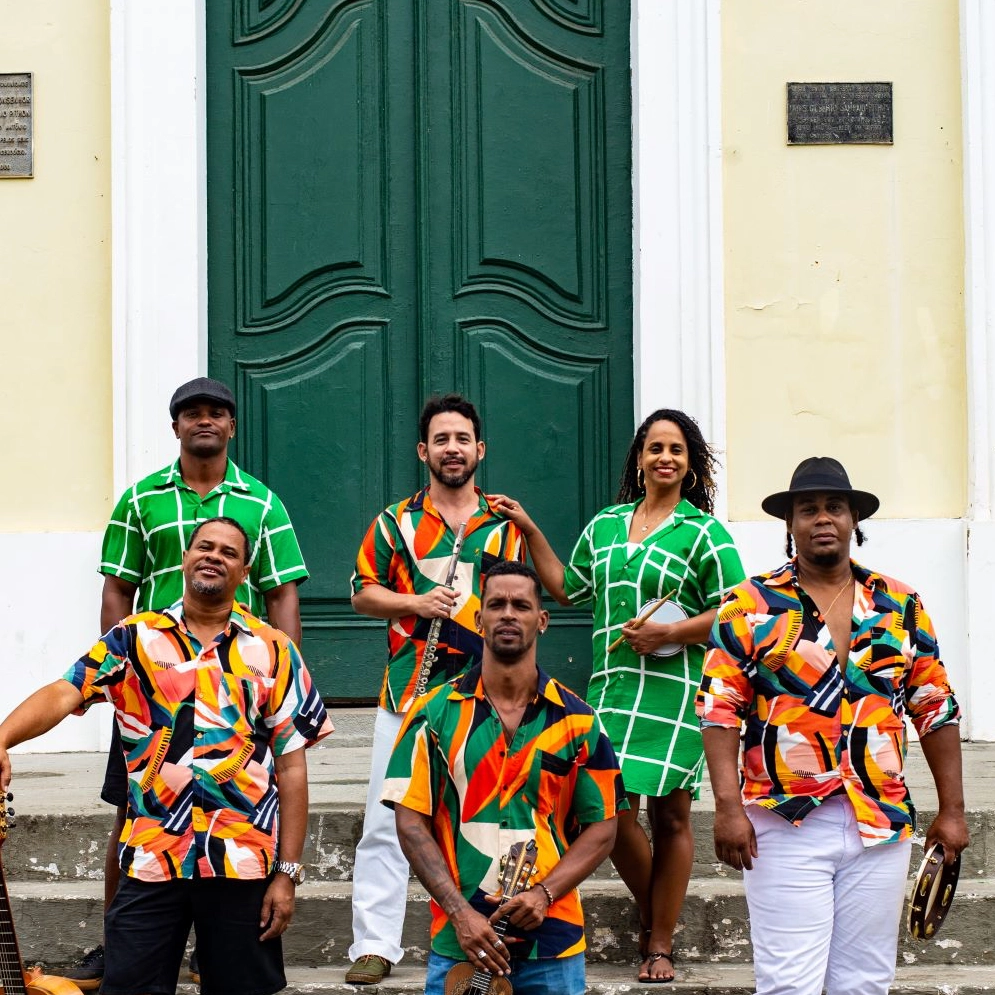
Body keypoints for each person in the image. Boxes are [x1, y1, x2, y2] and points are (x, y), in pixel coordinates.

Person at [0, 517, 333, 995]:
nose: (214, 556)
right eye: (204, 546)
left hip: (242, 861)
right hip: (153, 856)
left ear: (244, 574)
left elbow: (291, 766)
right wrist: (3, 738)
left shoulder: (273, 649)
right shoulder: (133, 639)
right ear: (184, 558)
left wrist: (288, 874)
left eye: (229, 552)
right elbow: (65, 691)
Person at [66, 376, 309, 990]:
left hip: (236, 695)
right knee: (133, 821)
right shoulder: (139, 500)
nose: (205, 422)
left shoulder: (264, 503)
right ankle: (119, 941)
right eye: (192, 413)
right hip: (152, 699)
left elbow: (282, 593)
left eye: (216, 413)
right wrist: (117, 679)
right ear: (175, 426)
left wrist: (283, 679)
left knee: (239, 818)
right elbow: (118, 589)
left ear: (231, 426)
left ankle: (216, 948)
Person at [697, 456, 969, 995]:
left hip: (880, 818)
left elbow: (934, 706)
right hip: (785, 819)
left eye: (834, 507)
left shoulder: (900, 604)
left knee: (865, 982)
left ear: (853, 521)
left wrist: (954, 811)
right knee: (789, 983)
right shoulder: (748, 605)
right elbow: (720, 709)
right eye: (809, 509)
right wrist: (728, 809)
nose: (823, 518)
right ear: (791, 524)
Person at [493, 407, 745, 982]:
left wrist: (671, 633)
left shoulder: (703, 532)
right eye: (655, 448)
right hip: (610, 690)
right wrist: (531, 529)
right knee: (610, 813)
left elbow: (738, 614)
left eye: (676, 450)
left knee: (673, 816)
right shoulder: (605, 525)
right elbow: (567, 586)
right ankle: (658, 912)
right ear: (638, 458)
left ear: (690, 464)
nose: (665, 458)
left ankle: (658, 940)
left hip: (676, 690)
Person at [345, 394, 525, 985]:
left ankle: (494, 934)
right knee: (384, 819)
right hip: (408, 692)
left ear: (480, 449)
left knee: (485, 815)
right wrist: (415, 603)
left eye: (462, 438)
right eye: (441, 439)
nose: (453, 448)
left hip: (485, 696)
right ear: (425, 451)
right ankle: (374, 945)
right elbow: (361, 592)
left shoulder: (503, 525)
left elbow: (524, 597)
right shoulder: (395, 520)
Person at [383, 561, 624, 995]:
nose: (508, 614)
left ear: (542, 620)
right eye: (496, 604)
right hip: (462, 940)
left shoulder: (580, 721)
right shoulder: (433, 713)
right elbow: (409, 821)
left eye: (521, 605)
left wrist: (544, 894)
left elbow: (604, 827)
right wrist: (460, 913)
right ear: (479, 619)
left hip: (553, 941)